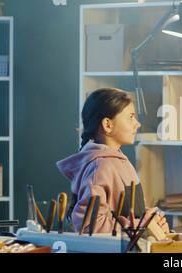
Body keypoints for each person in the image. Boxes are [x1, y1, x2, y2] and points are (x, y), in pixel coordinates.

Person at [57, 88, 169, 234]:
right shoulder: (100, 167)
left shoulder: (120, 161)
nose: (137, 124)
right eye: (130, 117)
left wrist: (153, 222)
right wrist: (142, 225)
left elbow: (128, 212)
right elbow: (88, 226)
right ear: (107, 125)